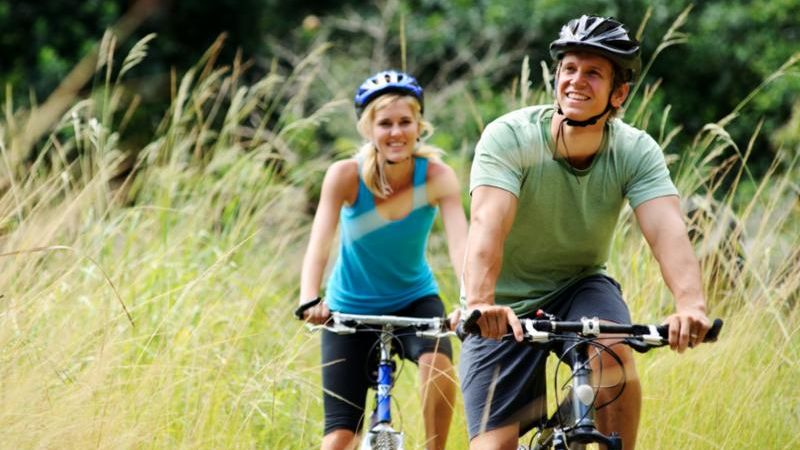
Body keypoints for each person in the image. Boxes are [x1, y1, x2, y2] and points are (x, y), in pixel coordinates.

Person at [458, 15, 712, 450]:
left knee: (613, 346)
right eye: (569, 69)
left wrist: (690, 306)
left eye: (593, 72)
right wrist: (481, 302)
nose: (577, 80)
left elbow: (668, 229)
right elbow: (487, 223)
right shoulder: (510, 137)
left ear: (619, 93)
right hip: (502, 303)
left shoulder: (634, 150)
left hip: (579, 284)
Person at [296, 70, 468, 450]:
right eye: (385, 123)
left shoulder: (437, 177)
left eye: (405, 122)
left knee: (438, 367)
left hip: (414, 300)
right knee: (340, 439)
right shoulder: (345, 175)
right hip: (348, 309)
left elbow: (462, 246)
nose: (396, 132)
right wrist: (310, 298)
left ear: (419, 125)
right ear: (368, 129)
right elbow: (319, 243)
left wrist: (469, 301)